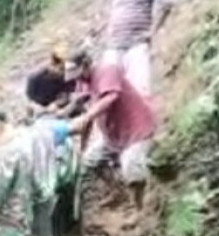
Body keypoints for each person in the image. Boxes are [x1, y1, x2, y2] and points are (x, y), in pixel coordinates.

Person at [66, 47, 158, 211]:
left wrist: (87, 117)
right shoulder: (83, 84)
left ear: (86, 65)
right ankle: (117, 192)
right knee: (90, 161)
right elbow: (88, 115)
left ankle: (140, 207)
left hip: (136, 129)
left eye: (79, 74)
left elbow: (111, 97)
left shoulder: (107, 71)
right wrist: (82, 147)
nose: (77, 79)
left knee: (131, 166)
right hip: (113, 135)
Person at [99, 0, 173, 99]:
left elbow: (166, 2)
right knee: (109, 87)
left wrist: (153, 31)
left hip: (137, 44)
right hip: (114, 45)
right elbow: (111, 14)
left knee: (140, 89)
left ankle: (142, 120)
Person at [24, 45, 84, 118]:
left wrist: (57, 104)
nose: (63, 72)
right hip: (41, 111)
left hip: (63, 108)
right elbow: (30, 102)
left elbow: (70, 93)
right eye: (61, 69)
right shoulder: (34, 78)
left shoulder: (68, 74)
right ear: (52, 64)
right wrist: (40, 109)